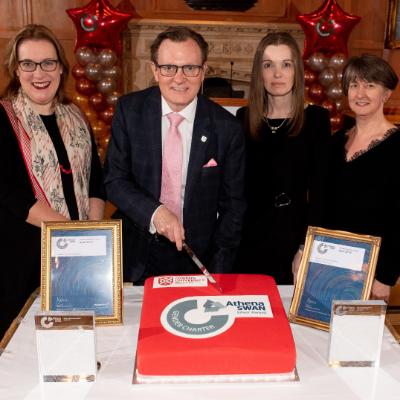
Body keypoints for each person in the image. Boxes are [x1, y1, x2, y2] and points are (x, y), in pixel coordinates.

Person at [104, 26, 246, 284]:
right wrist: (156, 213)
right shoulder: (129, 110)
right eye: (169, 67)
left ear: (203, 72)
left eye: (190, 68)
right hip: (136, 256)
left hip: (197, 259)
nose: (179, 78)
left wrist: (218, 272)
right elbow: (114, 181)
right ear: (154, 70)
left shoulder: (227, 128)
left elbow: (233, 208)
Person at [0, 24, 105, 339]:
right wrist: (71, 234)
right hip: (23, 257)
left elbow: (97, 181)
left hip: (81, 255)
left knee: (80, 341)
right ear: (15, 70)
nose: (39, 72)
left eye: (48, 62)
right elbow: (8, 193)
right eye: (28, 64)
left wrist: (93, 237)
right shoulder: (3, 117)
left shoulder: (76, 116)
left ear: (61, 68)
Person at [234, 31, 331, 284]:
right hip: (249, 239)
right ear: (259, 73)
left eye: (286, 65)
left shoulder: (317, 120)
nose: (277, 74)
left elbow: (321, 192)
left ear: (296, 71)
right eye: (269, 65)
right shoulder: (243, 118)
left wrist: (305, 247)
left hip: (293, 239)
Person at [316, 54, 400, 301]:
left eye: (370, 85)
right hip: (327, 265)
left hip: (371, 273)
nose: (360, 93)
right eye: (354, 85)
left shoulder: (398, 146)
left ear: (386, 94)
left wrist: (386, 276)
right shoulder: (334, 143)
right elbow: (322, 206)